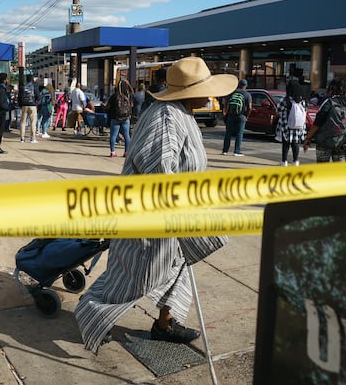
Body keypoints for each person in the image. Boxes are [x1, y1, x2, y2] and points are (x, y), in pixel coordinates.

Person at [75, 57, 237, 354]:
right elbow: (158, 169)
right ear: (189, 91)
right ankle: (92, 313)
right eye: (207, 88)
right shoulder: (166, 117)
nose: (212, 94)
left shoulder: (182, 113)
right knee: (134, 275)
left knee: (177, 267)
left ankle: (165, 323)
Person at [302, 78, 346, 163]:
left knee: (322, 170)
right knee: (339, 172)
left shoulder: (329, 102)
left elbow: (317, 123)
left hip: (324, 142)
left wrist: (308, 138)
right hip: (342, 143)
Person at [275, 82, 306, 166]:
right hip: (299, 125)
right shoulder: (301, 100)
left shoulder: (285, 100)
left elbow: (278, 110)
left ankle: (284, 161)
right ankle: (296, 161)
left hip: (286, 124)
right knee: (295, 143)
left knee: (286, 143)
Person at [221, 78, 252, 156]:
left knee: (228, 133)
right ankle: (237, 151)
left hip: (231, 115)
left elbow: (225, 103)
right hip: (241, 115)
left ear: (238, 84)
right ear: (245, 86)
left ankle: (225, 150)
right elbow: (250, 107)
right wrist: (246, 116)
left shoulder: (232, 93)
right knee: (239, 134)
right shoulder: (247, 94)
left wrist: (225, 113)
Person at [106, 78, 133, 157]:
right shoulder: (128, 96)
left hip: (115, 118)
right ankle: (126, 152)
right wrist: (128, 84)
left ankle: (113, 152)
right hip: (126, 118)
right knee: (126, 135)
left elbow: (107, 107)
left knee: (113, 135)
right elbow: (132, 92)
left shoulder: (114, 96)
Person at [19, 74, 39, 143]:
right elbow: (38, 97)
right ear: (32, 79)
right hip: (32, 105)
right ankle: (32, 138)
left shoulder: (22, 87)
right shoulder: (35, 87)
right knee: (33, 122)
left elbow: (20, 97)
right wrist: (36, 104)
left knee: (23, 122)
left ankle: (22, 138)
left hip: (24, 105)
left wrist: (20, 104)